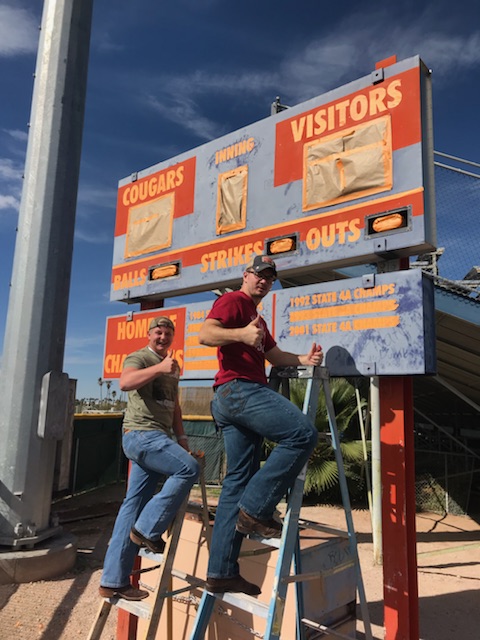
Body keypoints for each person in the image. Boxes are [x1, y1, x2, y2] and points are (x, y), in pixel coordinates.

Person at [198, 255, 323, 596]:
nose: (264, 281)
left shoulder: (258, 319)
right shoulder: (234, 300)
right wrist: (240, 333)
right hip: (239, 390)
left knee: (235, 483)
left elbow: (274, 355)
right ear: (246, 275)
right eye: (259, 274)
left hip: (230, 398)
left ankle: (221, 571)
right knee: (302, 434)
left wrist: (303, 360)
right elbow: (205, 334)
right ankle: (255, 510)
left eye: (270, 277)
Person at [99, 316, 199, 601]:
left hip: (161, 437)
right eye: (158, 332)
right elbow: (125, 382)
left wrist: (181, 439)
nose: (163, 337)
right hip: (141, 434)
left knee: (131, 508)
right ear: (149, 334)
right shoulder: (140, 357)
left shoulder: (173, 366)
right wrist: (158, 368)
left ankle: (113, 581)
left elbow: (175, 406)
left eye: (168, 333)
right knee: (188, 469)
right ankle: (147, 529)